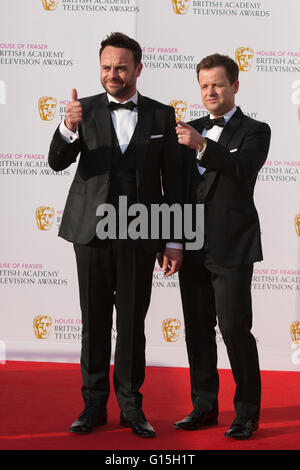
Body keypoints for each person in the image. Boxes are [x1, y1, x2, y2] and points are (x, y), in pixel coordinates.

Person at [48, 32, 183, 438]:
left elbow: (173, 182)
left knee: (131, 324)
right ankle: (91, 407)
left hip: (140, 234)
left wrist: (173, 240)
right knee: (93, 322)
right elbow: (57, 162)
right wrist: (67, 128)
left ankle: (131, 408)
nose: (113, 74)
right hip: (90, 233)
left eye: (121, 67)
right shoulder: (81, 110)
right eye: (106, 66)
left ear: (138, 69)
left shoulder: (162, 115)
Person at [174, 53, 271, 439]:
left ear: (234, 85)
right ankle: (204, 406)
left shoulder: (255, 130)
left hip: (231, 247)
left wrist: (201, 146)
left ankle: (247, 412)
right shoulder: (186, 128)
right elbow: (178, 190)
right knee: (197, 330)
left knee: (234, 329)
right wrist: (173, 241)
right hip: (191, 246)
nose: (210, 91)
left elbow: (243, 169)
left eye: (217, 84)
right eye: (204, 85)